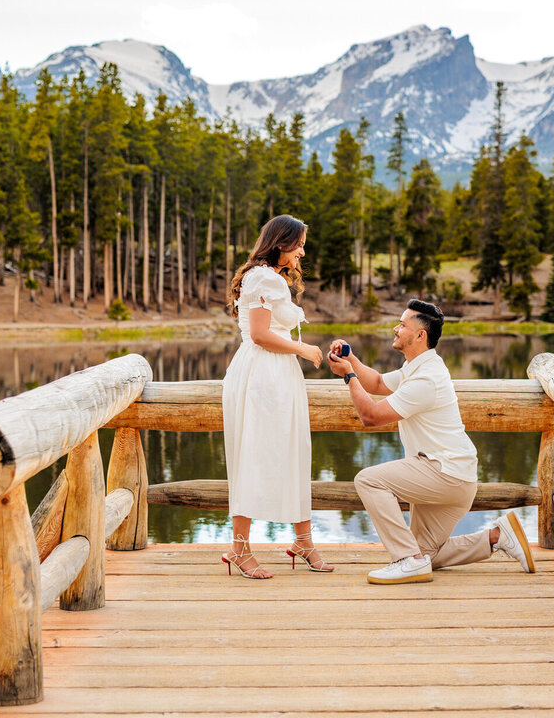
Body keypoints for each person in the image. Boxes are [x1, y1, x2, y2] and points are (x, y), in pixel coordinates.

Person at [327, 299, 536, 584]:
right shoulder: (418, 367)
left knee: (369, 480)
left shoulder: (425, 379)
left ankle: (405, 560)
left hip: (444, 472)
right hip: (452, 475)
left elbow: (371, 416)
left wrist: (349, 376)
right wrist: (350, 360)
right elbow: (375, 383)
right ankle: (497, 537)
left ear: (419, 335)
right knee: (427, 555)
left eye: (402, 324)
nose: (395, 328)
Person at [222, 215, 332, 579]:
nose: (302, 252)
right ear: (281, 243)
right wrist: (303, 348)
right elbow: (259, 333)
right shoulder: (266, 278)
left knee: (294, 452)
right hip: (263, 375)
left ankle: (304, 542)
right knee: (254, 456)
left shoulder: (264, 277)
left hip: (273, 374)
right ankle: (239, 549)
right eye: (299, 244)